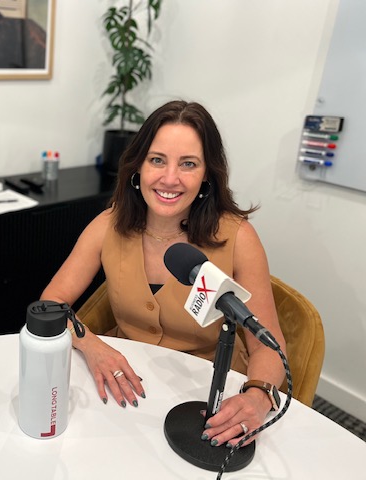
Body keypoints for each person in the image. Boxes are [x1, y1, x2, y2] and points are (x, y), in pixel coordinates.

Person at [41, 100, 286, 449]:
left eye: (188, 164)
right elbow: (51, 304)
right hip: (125, 387)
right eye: (157, 160)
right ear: (138, 166)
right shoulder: (107, 225)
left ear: (207, 174)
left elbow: (268, 344)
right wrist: (91, 345)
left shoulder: (238, 238)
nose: (170, 179)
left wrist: (258, 396)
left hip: (206, 395)